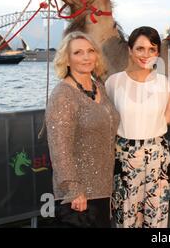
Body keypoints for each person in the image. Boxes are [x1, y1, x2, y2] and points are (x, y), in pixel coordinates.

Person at [45, 31, 120, 228]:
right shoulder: (63, 95)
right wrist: (73, 189)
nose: (86, 57)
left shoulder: (99, 87)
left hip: (103, 187)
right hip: (78, 195)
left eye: (90, 51)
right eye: (78, 53)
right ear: (67, 60)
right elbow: (59, 148)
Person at [105, 26, 170, 228]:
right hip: (124, 154)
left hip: (158, 153)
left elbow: (169, 115)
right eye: (140, 49)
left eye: (152, 49)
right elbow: (107, 120)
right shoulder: (113, 82)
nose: (146, 55)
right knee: (125, 215)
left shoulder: (165, 82)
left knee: (157, 215)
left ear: (157, 52)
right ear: (130, 50)